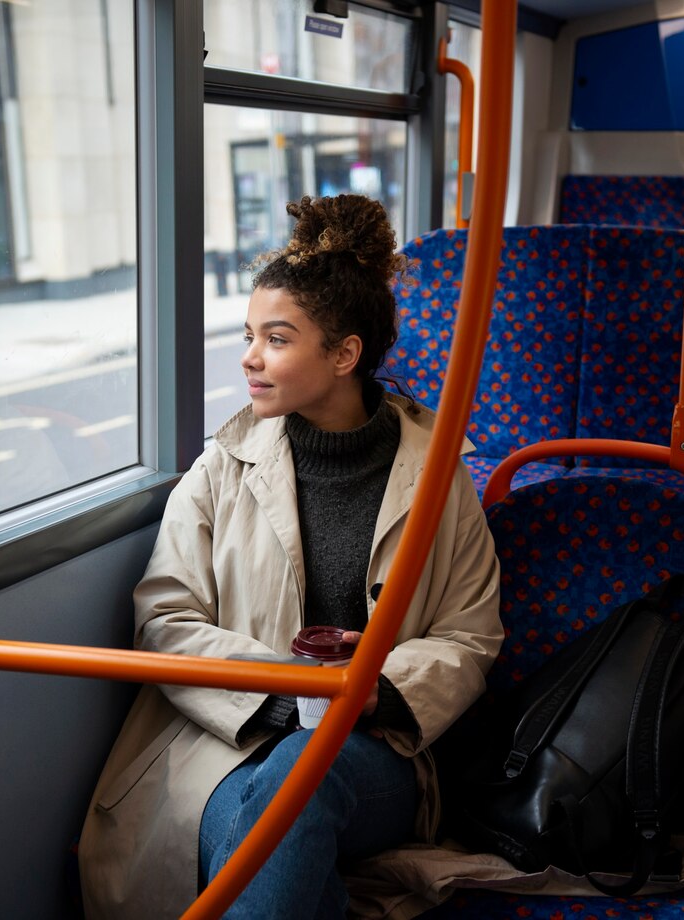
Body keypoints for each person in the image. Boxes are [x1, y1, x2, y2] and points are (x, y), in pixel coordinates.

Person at [78, 194, 502, 919]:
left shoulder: (437, 478)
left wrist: (370, 692)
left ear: (344, 354)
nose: (249, 357)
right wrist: (278, 697)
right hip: (225, 744)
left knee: (302, 780)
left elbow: (470, 634)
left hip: (373, 753)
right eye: (250, 335)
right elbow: (166, 617)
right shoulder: (222, 466)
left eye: (277, 339)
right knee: (275, 829)